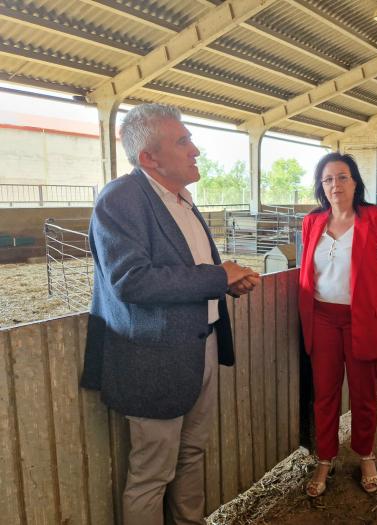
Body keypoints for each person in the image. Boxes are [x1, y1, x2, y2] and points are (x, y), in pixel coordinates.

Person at [80, 103, 260, 524]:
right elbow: (132, 281)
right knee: (152, 472)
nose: (195, 149)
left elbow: (187, 269)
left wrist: (227, 281)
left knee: (192, 454)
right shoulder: (121, 199)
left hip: (202, 344)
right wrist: (218, 276)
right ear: (148, 158)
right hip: (154, 358)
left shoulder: (180, 199)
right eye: (183, 141)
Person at [298, 152, 377, 497]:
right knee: (325, 394)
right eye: (327, 179)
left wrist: (371, 303)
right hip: (322, 317)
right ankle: (325, 457)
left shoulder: (376, 217)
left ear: (355, 181)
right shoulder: (312, 221)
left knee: (363, 394)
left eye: (342, 177)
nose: (335, 185)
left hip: (361, 318)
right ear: (321, 186)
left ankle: (365, 454)